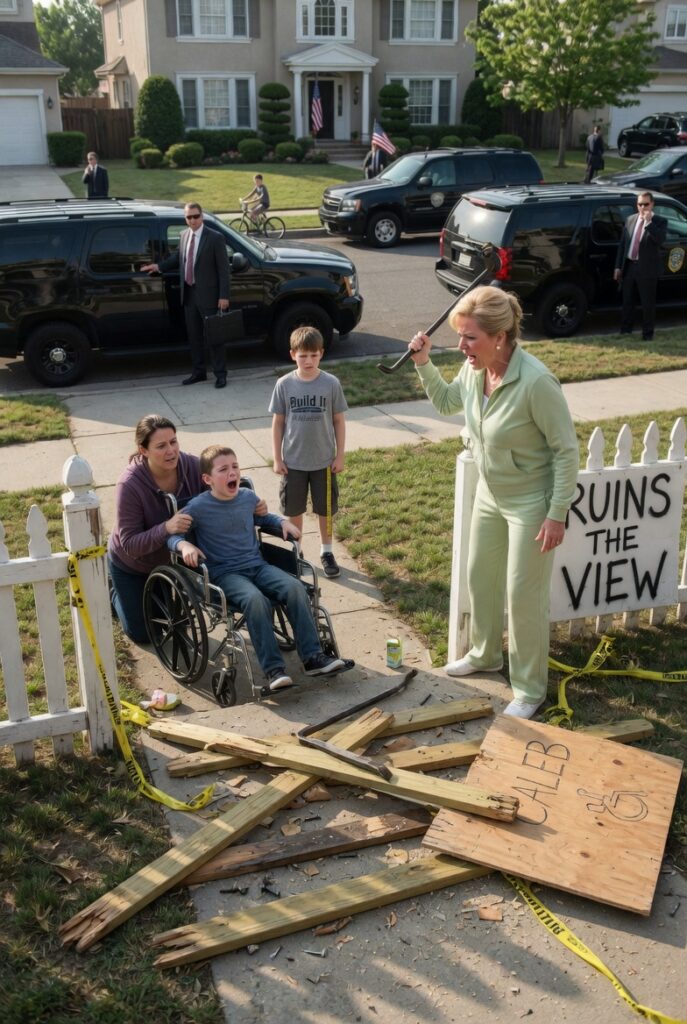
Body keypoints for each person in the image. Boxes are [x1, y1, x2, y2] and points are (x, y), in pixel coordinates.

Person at [408, 286, 579, 719]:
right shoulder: (475, 370)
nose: (461, 346)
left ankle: (529, 689)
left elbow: (566, 451)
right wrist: (424, 363)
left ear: (500, 337)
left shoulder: (536, 382)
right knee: (479, 576)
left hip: (531, 503)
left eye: (470, 337)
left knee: (523, 595)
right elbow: (447, 403)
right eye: (460, 335)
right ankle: (485, 654)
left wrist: (557, 513)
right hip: (490, 493)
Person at [168, 445, 352, 693]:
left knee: (295, 587)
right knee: (255, 600)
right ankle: (274, 670)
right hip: (225, 574)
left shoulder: (247, 497)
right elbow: (172, 536)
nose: (232, 472)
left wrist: (281, 522)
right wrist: (183, 545)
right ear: (207, 479)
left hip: (257, 565)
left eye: (235, 466)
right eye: (223, 469)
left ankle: (313, 657)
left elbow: (264, 519)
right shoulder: (198, 507)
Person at [107, 414, 267, 644]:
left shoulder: (192, 466)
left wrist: (253, 505)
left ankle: (155, 595)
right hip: (135, 564)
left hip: (178, 559)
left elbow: (223, 490)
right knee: (144, 635)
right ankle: (113, 591)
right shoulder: (129, 484)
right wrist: (166, 528)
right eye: (161, 446)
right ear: (144, 450)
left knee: (167, 621)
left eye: (173, 441)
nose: (171, 450)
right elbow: (130, 545)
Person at [270, 326, 347, 579]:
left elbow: (338, 421)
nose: (308, 361)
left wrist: (340, 455)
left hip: (324, 462)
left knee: (326, 510)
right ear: (293, 354)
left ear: (321, 353)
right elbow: (278, 423)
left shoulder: (331, 383)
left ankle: (327, 551)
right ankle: (297, 551)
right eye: (303, 356)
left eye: (314, 355)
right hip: (293, 462)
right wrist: (277, 458)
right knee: (295, 510)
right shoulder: (284, 384)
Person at [141, 202, 230, 388]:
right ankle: (199, 372)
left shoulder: (215, 238)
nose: (193, 220)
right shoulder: (184, 236)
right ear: (185, 219)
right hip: (189, 294)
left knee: (214, 337)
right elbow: (177, 258)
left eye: (196, 216)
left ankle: (220, 374)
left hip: (210, 296)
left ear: (201, 216)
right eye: (189, 217)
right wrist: (158, 266)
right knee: (194, 337)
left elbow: (223, 270)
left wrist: (224, 296)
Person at [613, 191, 667, 341]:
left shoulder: (660, 221)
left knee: (647, 304)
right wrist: (618, 266)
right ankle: (626, 331)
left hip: (647, 269)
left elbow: (660, 240)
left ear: (652, 204)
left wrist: (649, 223)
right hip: (630, 266)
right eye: (639, 204)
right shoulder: (630, 219)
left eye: (646, 204)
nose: (642, 207)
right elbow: (623, 245)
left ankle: (647, 335)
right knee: (627, 301)